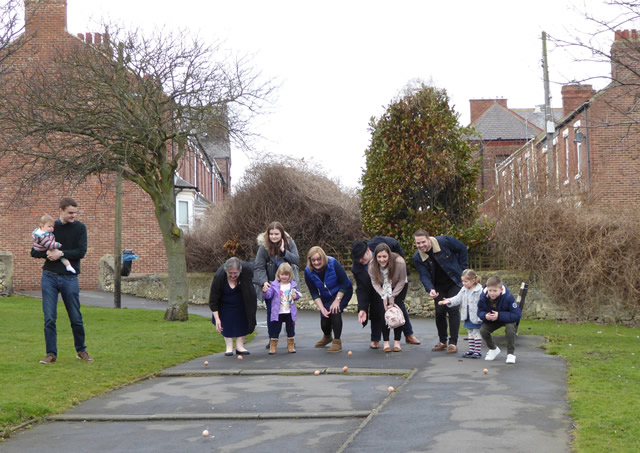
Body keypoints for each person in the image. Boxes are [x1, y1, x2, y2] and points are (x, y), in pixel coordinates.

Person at [30, 197, 92, 364]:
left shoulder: (80, 228)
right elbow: (35, 252)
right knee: (49, 317)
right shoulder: (50, 227)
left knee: (75, 317)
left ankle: (81, 350)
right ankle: (51, 354)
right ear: (61, 211)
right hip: (49, 276)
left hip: (70, 278)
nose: (73, 216)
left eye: (75, 213)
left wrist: (61, 253)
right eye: (70, 213)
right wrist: (49, 254)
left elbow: (81, 251)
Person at [351, 237, 421, 349]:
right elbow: (362, 289)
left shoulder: (382, 245)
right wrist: (362, 309)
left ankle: (409, 334)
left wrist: (400, 266)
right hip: (377, 285)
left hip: (396, 281)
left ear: (368, 251)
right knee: (377, 307)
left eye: (362, 257)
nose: (360, 261)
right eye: (357, 259)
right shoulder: (357, 268)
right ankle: (375, 339)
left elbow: (395, 244)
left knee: (398, 306)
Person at [413, 229, 468, 354]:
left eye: (423, 242)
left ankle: (453, 343)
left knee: (453, 309)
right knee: (440, 311)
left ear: (428, 239)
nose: (421, 246)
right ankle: (442, 341)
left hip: (454, 281)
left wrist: (463, 270)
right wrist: (430, 289)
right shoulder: (418, 258)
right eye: (418, 243)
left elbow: (462, 248)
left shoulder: (445, 241)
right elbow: (424, 275)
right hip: (438, 286)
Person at [253, 222, 300, 349]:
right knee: (272, 314)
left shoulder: (290, 243)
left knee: (289, 313)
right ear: (268, 235)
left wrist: (284, 252)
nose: (274, 236)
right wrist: (264, 282)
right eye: (271, 234)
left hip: (288, 286)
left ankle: (291, 338)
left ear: (282, 234)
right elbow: (259, 266)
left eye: (276, 234)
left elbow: (296, 260)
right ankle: (272, 338)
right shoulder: (263, 247)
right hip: (272, 287)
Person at [304, 246, 353, 353]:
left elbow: (345, 282)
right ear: (310, 260)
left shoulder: (333, 263)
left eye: (318, 259)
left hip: (343, 291)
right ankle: (327, 337)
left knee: (335, 311)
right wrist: (322, 308)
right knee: (325, 320)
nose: (316, 262)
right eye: (313, 260)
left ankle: (337, 342)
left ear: (323, 258)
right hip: (326, 296)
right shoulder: (308, 271)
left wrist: (337, 300)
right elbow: (314, 292)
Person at [209, 257, 258, 356]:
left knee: (243, 322)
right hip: (225, 305)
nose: (232, 275)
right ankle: (229, 347)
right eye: (230, 273)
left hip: (243, 302)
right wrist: (217, 319)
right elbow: (213, 299)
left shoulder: (247, 271)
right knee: (226, 323)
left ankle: (240, 346)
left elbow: (257, 275)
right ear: (226, 271)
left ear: (240, 270)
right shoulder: (219, 276)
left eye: (235, 273)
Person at [367, 243, 409, 353]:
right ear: (375, 257)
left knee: (396, 311)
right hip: (383, 287)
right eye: (379, 257)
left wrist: (393, 297)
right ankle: (386, 342)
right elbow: (374, 282)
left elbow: (401, 280)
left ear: (389, 256)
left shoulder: (399, 262)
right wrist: (383, 295)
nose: (382, 260)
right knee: (384, 312)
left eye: (384, 256)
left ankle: (397, 342)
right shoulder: (372, 265)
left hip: (398, 286)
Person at [439, 269, 484, 358]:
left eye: (465, 281)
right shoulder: (464, 290)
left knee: (476, 333)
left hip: (476, 316)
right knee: (470, 333)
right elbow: (457, 298)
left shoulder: (480, 290)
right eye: (462, 281)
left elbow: (484, 302)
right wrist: (449, 301)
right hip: (467, 315)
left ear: (473, 281)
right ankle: (471, 350)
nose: (463, 283)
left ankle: (477, 351)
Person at [477, 275, 521, 364]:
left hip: (507, 319)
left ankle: (510, 354)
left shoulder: (508, 297)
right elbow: (479, 311)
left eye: (495, 291)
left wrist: (499, 315)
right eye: (490, 290)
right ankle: (493, 349)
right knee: (483, 330)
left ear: (500, 290)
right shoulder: (483, 297)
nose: (492, 293)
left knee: (509, 329)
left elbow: (517, 315)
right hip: (493, 320)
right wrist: (485, 316)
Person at [263, 263, 301, 354]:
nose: (284, 277)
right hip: (278, 312)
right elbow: (269, 295)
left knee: (290, 329)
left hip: (289, 311)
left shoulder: (292, 285)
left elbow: (298, 295)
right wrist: (265, 292)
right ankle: (273, 346)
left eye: (286, 275)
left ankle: (291, 346)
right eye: (282, 274)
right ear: (278, 275)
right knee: (276, 329)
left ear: (290, 275)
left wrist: (296, 296)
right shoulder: (274, 285)